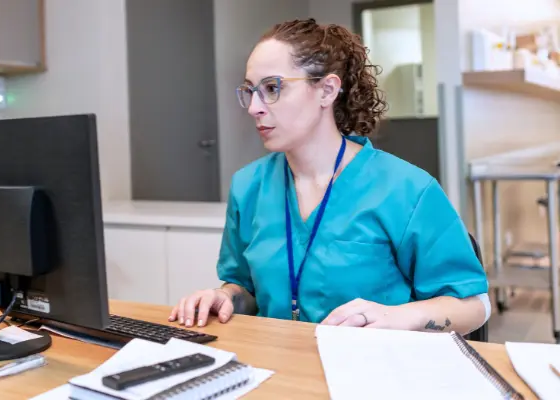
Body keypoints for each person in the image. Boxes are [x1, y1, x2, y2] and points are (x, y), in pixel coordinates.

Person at [168, 19, 490, 335]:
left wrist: (399, 317)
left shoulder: (407, 189)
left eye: (271, 88)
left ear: (326, 90)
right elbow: (245, 287)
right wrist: (224, 297)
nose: (254, 107)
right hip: (278, 371)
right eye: (250, 91)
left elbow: (474, 305)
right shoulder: (248, 186)